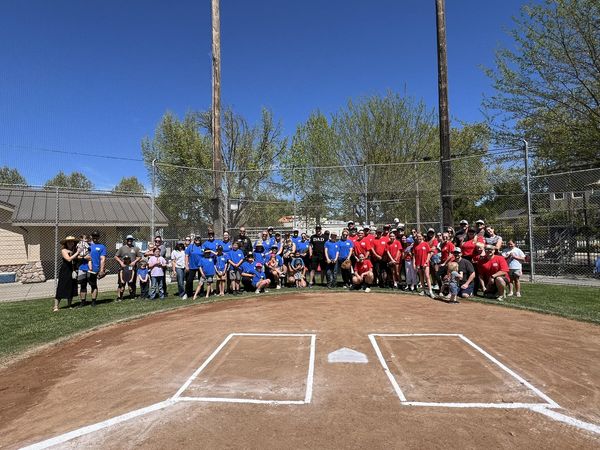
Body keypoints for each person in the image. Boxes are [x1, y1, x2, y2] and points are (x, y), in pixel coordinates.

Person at [54, 236, 80, 311]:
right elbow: (68, 259)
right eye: (69, 242)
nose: (70, 243)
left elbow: (79, 257)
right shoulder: (64, 250)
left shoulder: (75, 250)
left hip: (73, 270)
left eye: (72, 241)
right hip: (65, 270)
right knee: (62, 287)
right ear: (66, 243)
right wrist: (77, 253)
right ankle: (56, 306)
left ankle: (69, 305)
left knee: (71, 287)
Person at [87, 230, 107, 307]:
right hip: (84, 267)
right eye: (94, 236)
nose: (95, 238)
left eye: (97, 236)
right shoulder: (87, 245)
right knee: (83, 285)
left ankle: (93, 301)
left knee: (93, 285)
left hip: (94, 269)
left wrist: (101, 270)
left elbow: (103, 259)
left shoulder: (102, 246)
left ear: (99, 237)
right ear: (91, 237)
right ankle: (83, 302)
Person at [413, 233, 434, 298]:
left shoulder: (426, 244)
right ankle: (423, 290)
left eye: (420, 236)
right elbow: (414, 255)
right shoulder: (415, 245)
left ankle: (430, 291)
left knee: (427, 276)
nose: (418, 238)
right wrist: (414, 264)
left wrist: (426, 262)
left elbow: (429, 253)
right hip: (418, 263)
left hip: (425, 263)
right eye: (417, 236)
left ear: (422, 237)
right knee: (421, 277)